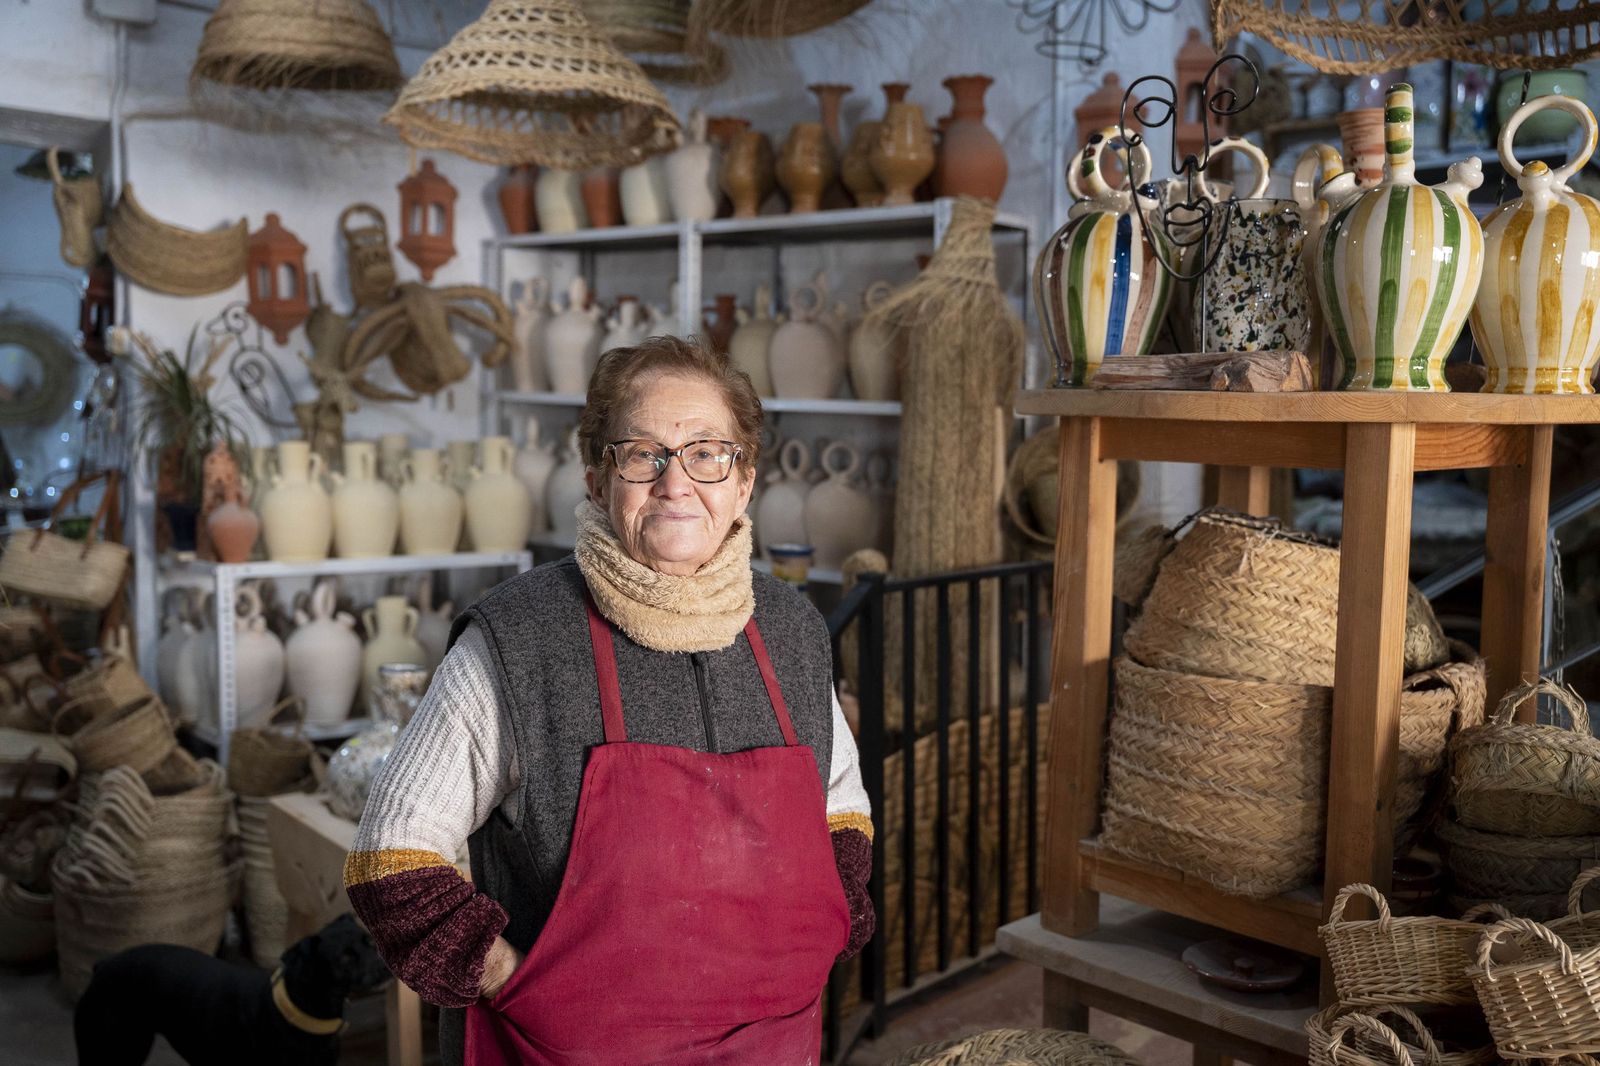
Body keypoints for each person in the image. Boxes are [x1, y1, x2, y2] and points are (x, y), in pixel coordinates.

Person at [345, 335, 875, 1065]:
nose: (676, 482)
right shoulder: (520, 638)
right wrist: (513, 982)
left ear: (744, 480)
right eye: (642, 454)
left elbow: (841, 806)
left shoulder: (792, 630)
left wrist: (828, 930)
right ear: (598, 479)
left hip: (772, 1046)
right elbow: (391, 859)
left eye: (707, 452)